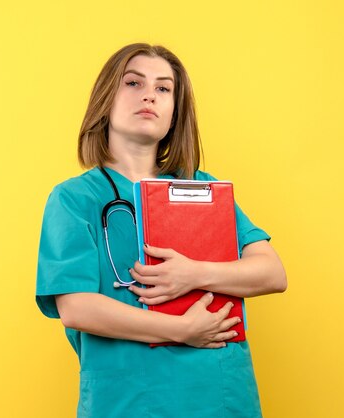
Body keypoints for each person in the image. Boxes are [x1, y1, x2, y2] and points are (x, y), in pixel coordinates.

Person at [36, 43, 287, 418]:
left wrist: (193, 273)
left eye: (164, 88)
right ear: (106, 99)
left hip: (218, 394)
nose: (149, 95)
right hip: (128, 400)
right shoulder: (74, 199)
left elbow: (272, 272)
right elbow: (76, 307)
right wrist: (181, 329)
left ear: (174, 111)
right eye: (134, 83)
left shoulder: (202, 189)